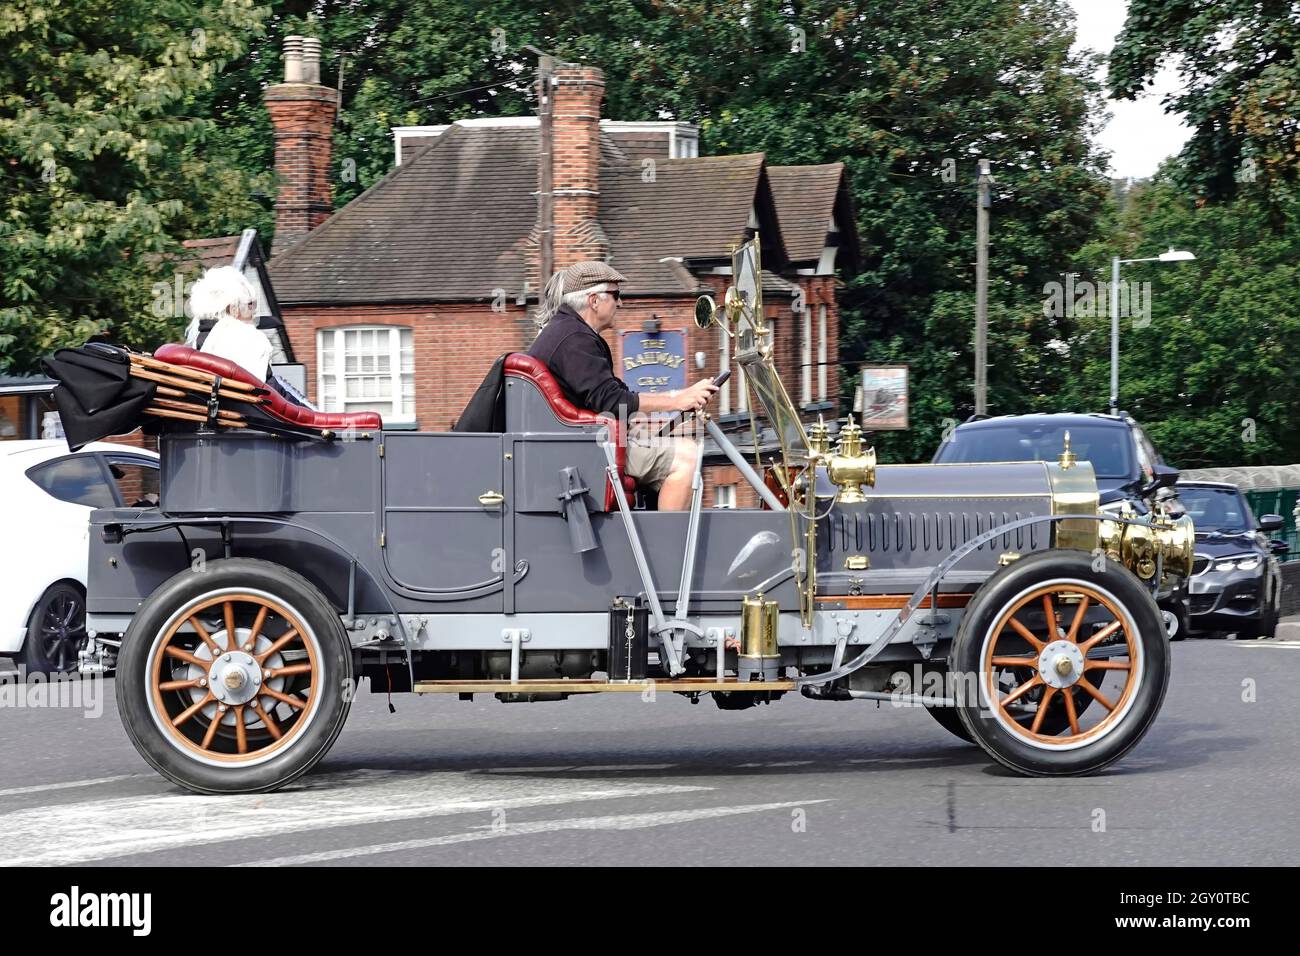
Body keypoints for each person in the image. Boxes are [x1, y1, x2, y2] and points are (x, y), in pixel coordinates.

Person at [528, 261, 718, 511]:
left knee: (668, 443)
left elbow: (614, 396)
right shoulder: (575, 340)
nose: (620, 303)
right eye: (616, 295)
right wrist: (678, 400)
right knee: (686, 455)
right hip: (587, 450)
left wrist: (636, 416)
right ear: (594, 300)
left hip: (582, 442)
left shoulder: (568, 334)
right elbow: (612, 401)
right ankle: (669, 548)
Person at [184, 266, 312, 408]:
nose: (254, 312)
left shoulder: (200, 345)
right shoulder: (243, 340)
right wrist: (314, 414)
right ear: (232, 308)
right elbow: (274, 393)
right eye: (250, 305)